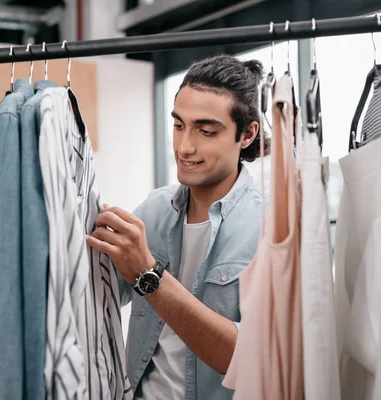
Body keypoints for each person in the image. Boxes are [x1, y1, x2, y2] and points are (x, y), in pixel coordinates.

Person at [86, 54, 267, 400]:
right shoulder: (155, 210)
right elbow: (94, 289)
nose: (185, 146)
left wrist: (148, 274)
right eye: (178, 125)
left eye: (206, 130)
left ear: (247, 134)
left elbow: (247, 359)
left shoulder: (268, 227)